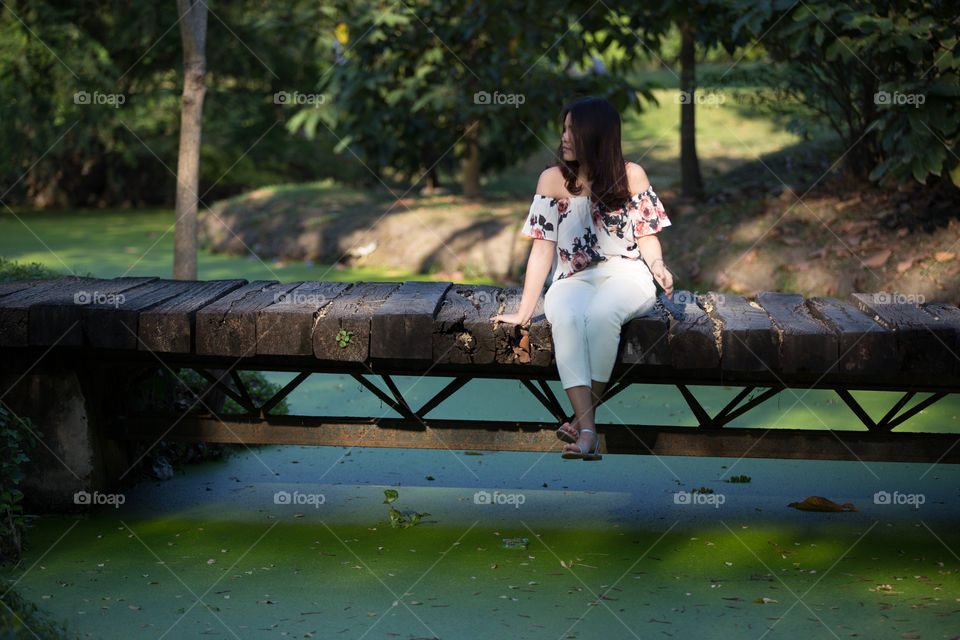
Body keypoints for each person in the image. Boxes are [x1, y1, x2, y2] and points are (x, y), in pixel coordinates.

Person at [490, 96, 674, 461]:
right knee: (569, 316)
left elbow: (647, 237)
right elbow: (542, 250)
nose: (564, 138)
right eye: (564, 129)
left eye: (573, 130)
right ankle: (588, 429)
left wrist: (658, 267)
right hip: (571, 279)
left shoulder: (631, 175)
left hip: (627, 275)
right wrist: (525, 310)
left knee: (603, 313)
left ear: (597, 136)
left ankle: (583, 425)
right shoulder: (552, 180)